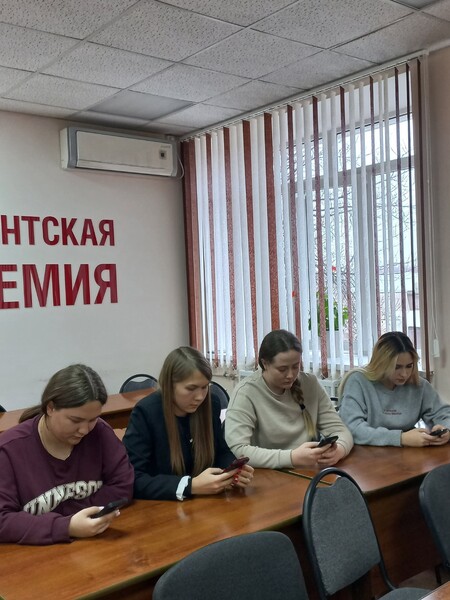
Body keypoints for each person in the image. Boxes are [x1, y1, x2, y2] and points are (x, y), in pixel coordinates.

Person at [0, 364, 134, 545]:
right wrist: (67, 525)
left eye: (93, 419)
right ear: (50, 408)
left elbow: (123, 485)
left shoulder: (100, 433)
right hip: (35, 555)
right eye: (75, 420)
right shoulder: (9, 450)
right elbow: (2, 520)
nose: (84, 430)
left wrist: (71, 518)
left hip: (94, 544)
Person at [123, 346, 254, 501]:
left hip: (206, 502)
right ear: (169, 385)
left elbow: (220, 451)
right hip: (163, 506)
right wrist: (190, 486)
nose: (200, 397)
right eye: (191, 388)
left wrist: (233, 469)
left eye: (204, 387)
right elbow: (134, 479)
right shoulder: (146, 412)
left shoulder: (211, 404)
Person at [224, 329, 353, 469]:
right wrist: (291, 458)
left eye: (296, 366)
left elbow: (340, 431)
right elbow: (239, 450)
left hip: (307, 470)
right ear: (265, 363)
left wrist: (339, 450)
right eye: (282, 369)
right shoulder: (246, 393)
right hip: (267, 474)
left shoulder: (310, 384)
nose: (291, 375)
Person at [339, 331, 450, 447]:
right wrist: (400, 438)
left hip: (407, 452)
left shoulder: (419, 385)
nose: (404, 374)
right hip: (366, 451)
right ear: (381, 363)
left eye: (409, 366)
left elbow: (444, 413)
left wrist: (446, 429)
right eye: (397, 367)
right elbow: (352, 428)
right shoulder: (358, 381)